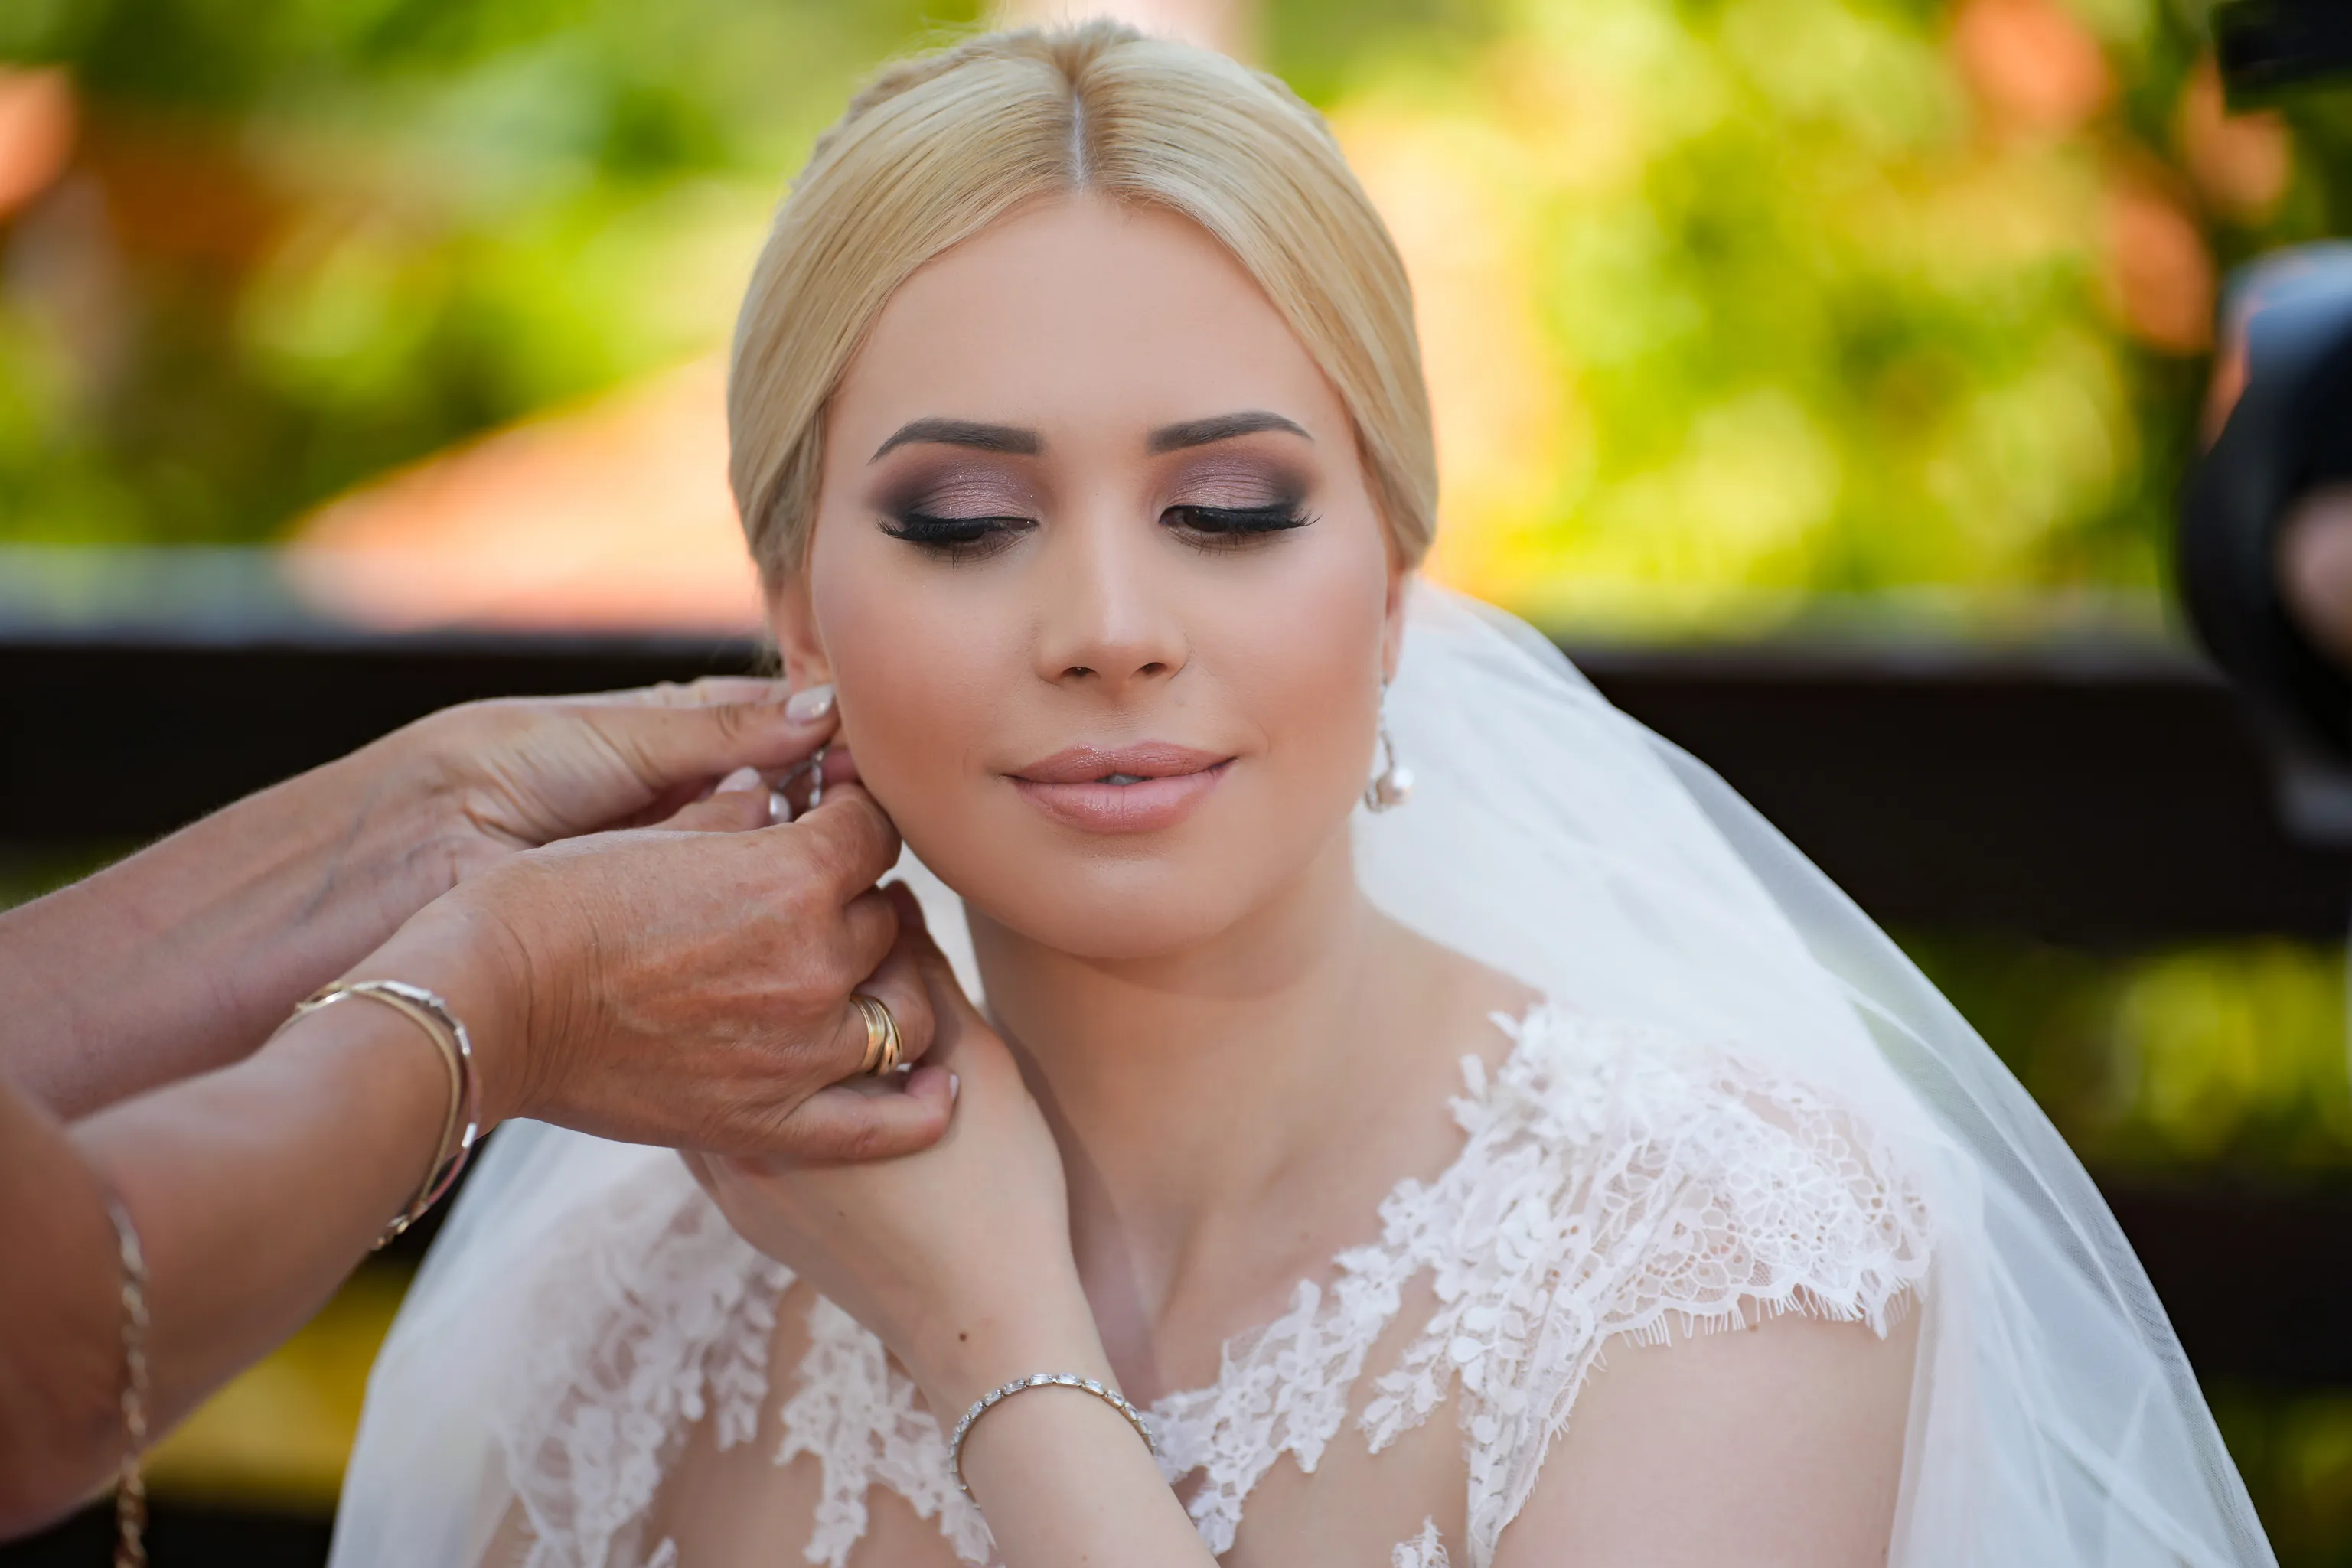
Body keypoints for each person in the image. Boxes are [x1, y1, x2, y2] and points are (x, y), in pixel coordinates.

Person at [332, 23, 2279, 1568]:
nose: (1110, 627)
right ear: (797, 610)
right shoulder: (627, 1298)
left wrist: (993, 1339)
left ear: (1397, 576)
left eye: (1230, 508)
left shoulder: (1721, 1247)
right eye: (968, 519)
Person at [0, 677, 952, 1540]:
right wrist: (518, 997)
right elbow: (47, 1355)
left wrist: (421, 830)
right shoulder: (614, 1319)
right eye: (958, 546)